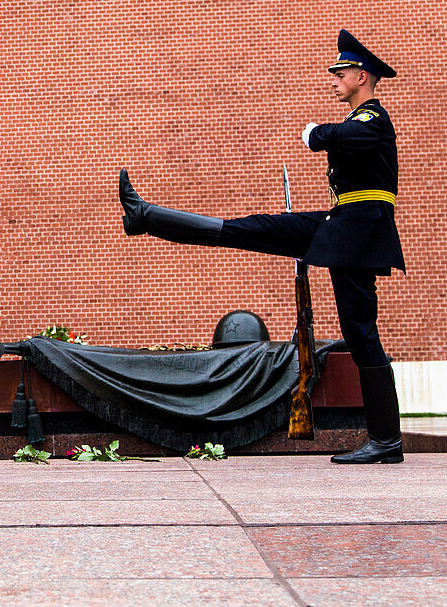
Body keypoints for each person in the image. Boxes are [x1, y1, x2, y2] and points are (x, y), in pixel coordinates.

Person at [119, 29, 404, 464]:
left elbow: (346, 140)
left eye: (340, 73)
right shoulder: (359, 122)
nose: (334, 80)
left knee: (360, 332)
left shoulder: (372, 120)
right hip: (342, 225)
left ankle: (387, 440)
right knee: (254, 229)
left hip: (359, 232)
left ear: (361, 76)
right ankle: (148, 217)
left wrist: (316, 132)